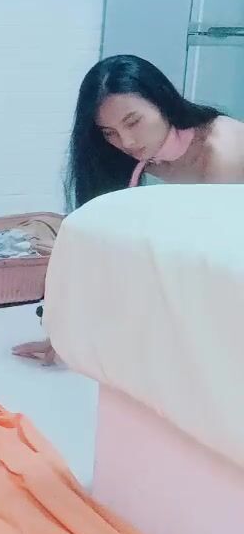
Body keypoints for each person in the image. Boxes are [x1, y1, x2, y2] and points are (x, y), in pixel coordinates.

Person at [14, 54, 244, 364]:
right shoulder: (132, 156)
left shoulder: (222, 150)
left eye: (133, 122)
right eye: (108, 132)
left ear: (162, 100)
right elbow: (104, 249)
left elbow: (208, 267)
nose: (127, 141)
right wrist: (67, 331)